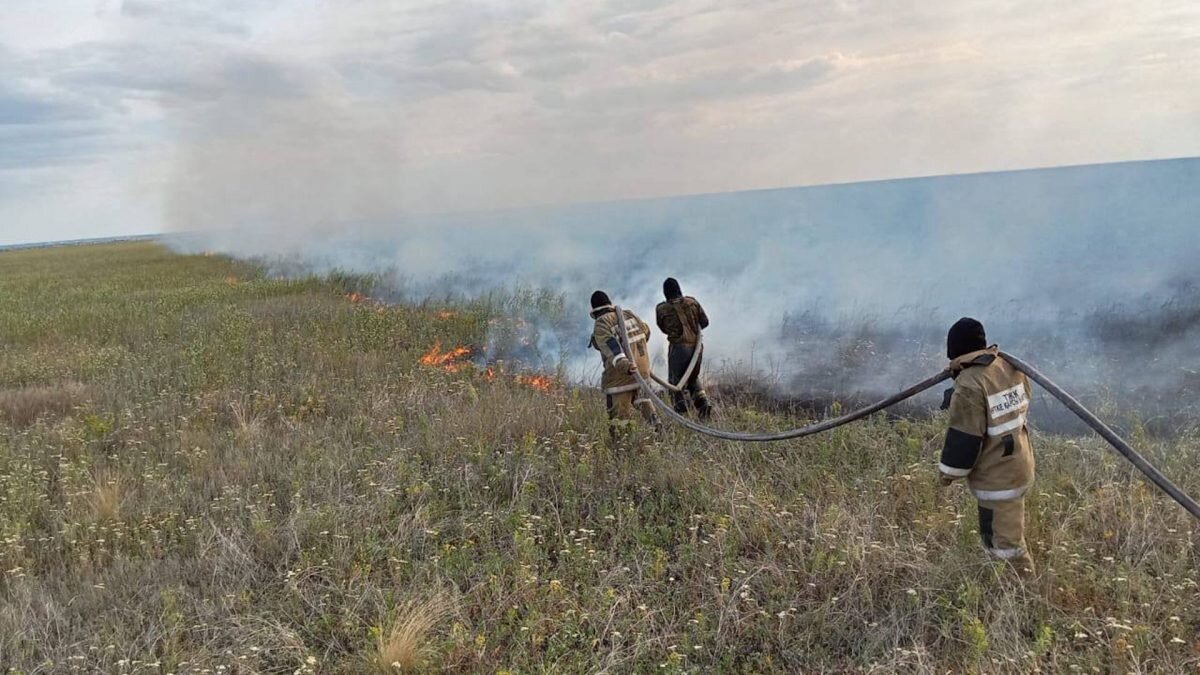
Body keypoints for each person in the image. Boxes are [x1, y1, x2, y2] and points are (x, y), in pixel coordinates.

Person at [938, 317, 1036, 576]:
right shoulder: (1007, 365)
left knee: (1006, 545)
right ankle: (1003, 581)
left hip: (997, 477)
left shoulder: (970, 383)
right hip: (1018, 462)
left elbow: (964, 438)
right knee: (998, 531)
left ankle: (1022, 590)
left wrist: (947, 475)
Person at [588, 290, 659, 438]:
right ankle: (658, 429)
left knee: (619, 416)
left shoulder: (602, 323)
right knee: (643, 400)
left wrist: (626, 365)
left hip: (622, 375)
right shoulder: (629, 315)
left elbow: (612, 346)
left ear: (595, 311)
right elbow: (646, 332)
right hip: (642, 371)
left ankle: (622, 443)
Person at [654, 278, 713, 418]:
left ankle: (682, 414)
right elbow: (704, 322)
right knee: (692, 377)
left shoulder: (662, 309)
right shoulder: (692, 302)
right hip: (696, 347)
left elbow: (663, 328)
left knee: (675, 382)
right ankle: (703, 404)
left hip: (678, 349)